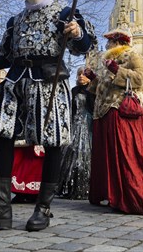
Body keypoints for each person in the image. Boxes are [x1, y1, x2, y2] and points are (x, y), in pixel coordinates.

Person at [0, 0, 96, 231]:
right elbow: (5, 55)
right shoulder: (15, 22)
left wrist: (77, 33)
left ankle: (43, 208)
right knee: (2, 135)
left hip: (48, 82)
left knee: (52, 140)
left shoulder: (65, 13)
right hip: (15, 81)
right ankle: (0, 207)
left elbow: (84, 45)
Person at [84, 26, 143, 216]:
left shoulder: (133, 55)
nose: (107, 44)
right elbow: (101, 87)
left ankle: (130, 196)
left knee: (125, 153)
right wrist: (93, 79)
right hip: (103, 111)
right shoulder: (105, 61)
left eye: (110, 41)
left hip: (120, 109)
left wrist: (117, 70)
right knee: (107, 155)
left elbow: (140, 79)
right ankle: (110, 193)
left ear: (118, 42)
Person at [57, 66, 95, 200]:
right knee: (70, 152)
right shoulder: (73, 90)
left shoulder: (92, 91)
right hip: (74, 123)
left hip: (87, 125)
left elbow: (93, 107)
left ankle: (85, 186)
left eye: (84, 75)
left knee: (85, 153)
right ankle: (68, 186)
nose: (80, 77)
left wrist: (89, 90)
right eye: (79, 74)